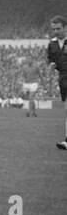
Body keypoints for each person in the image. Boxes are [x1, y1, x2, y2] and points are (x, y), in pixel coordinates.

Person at [48, 16, 67, 150]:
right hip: (64, 80)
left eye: (58, 28)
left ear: (65, 27)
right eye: (54, 29)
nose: (56, 31)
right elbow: (50, 59)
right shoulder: (52, 44)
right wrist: (52, 65)